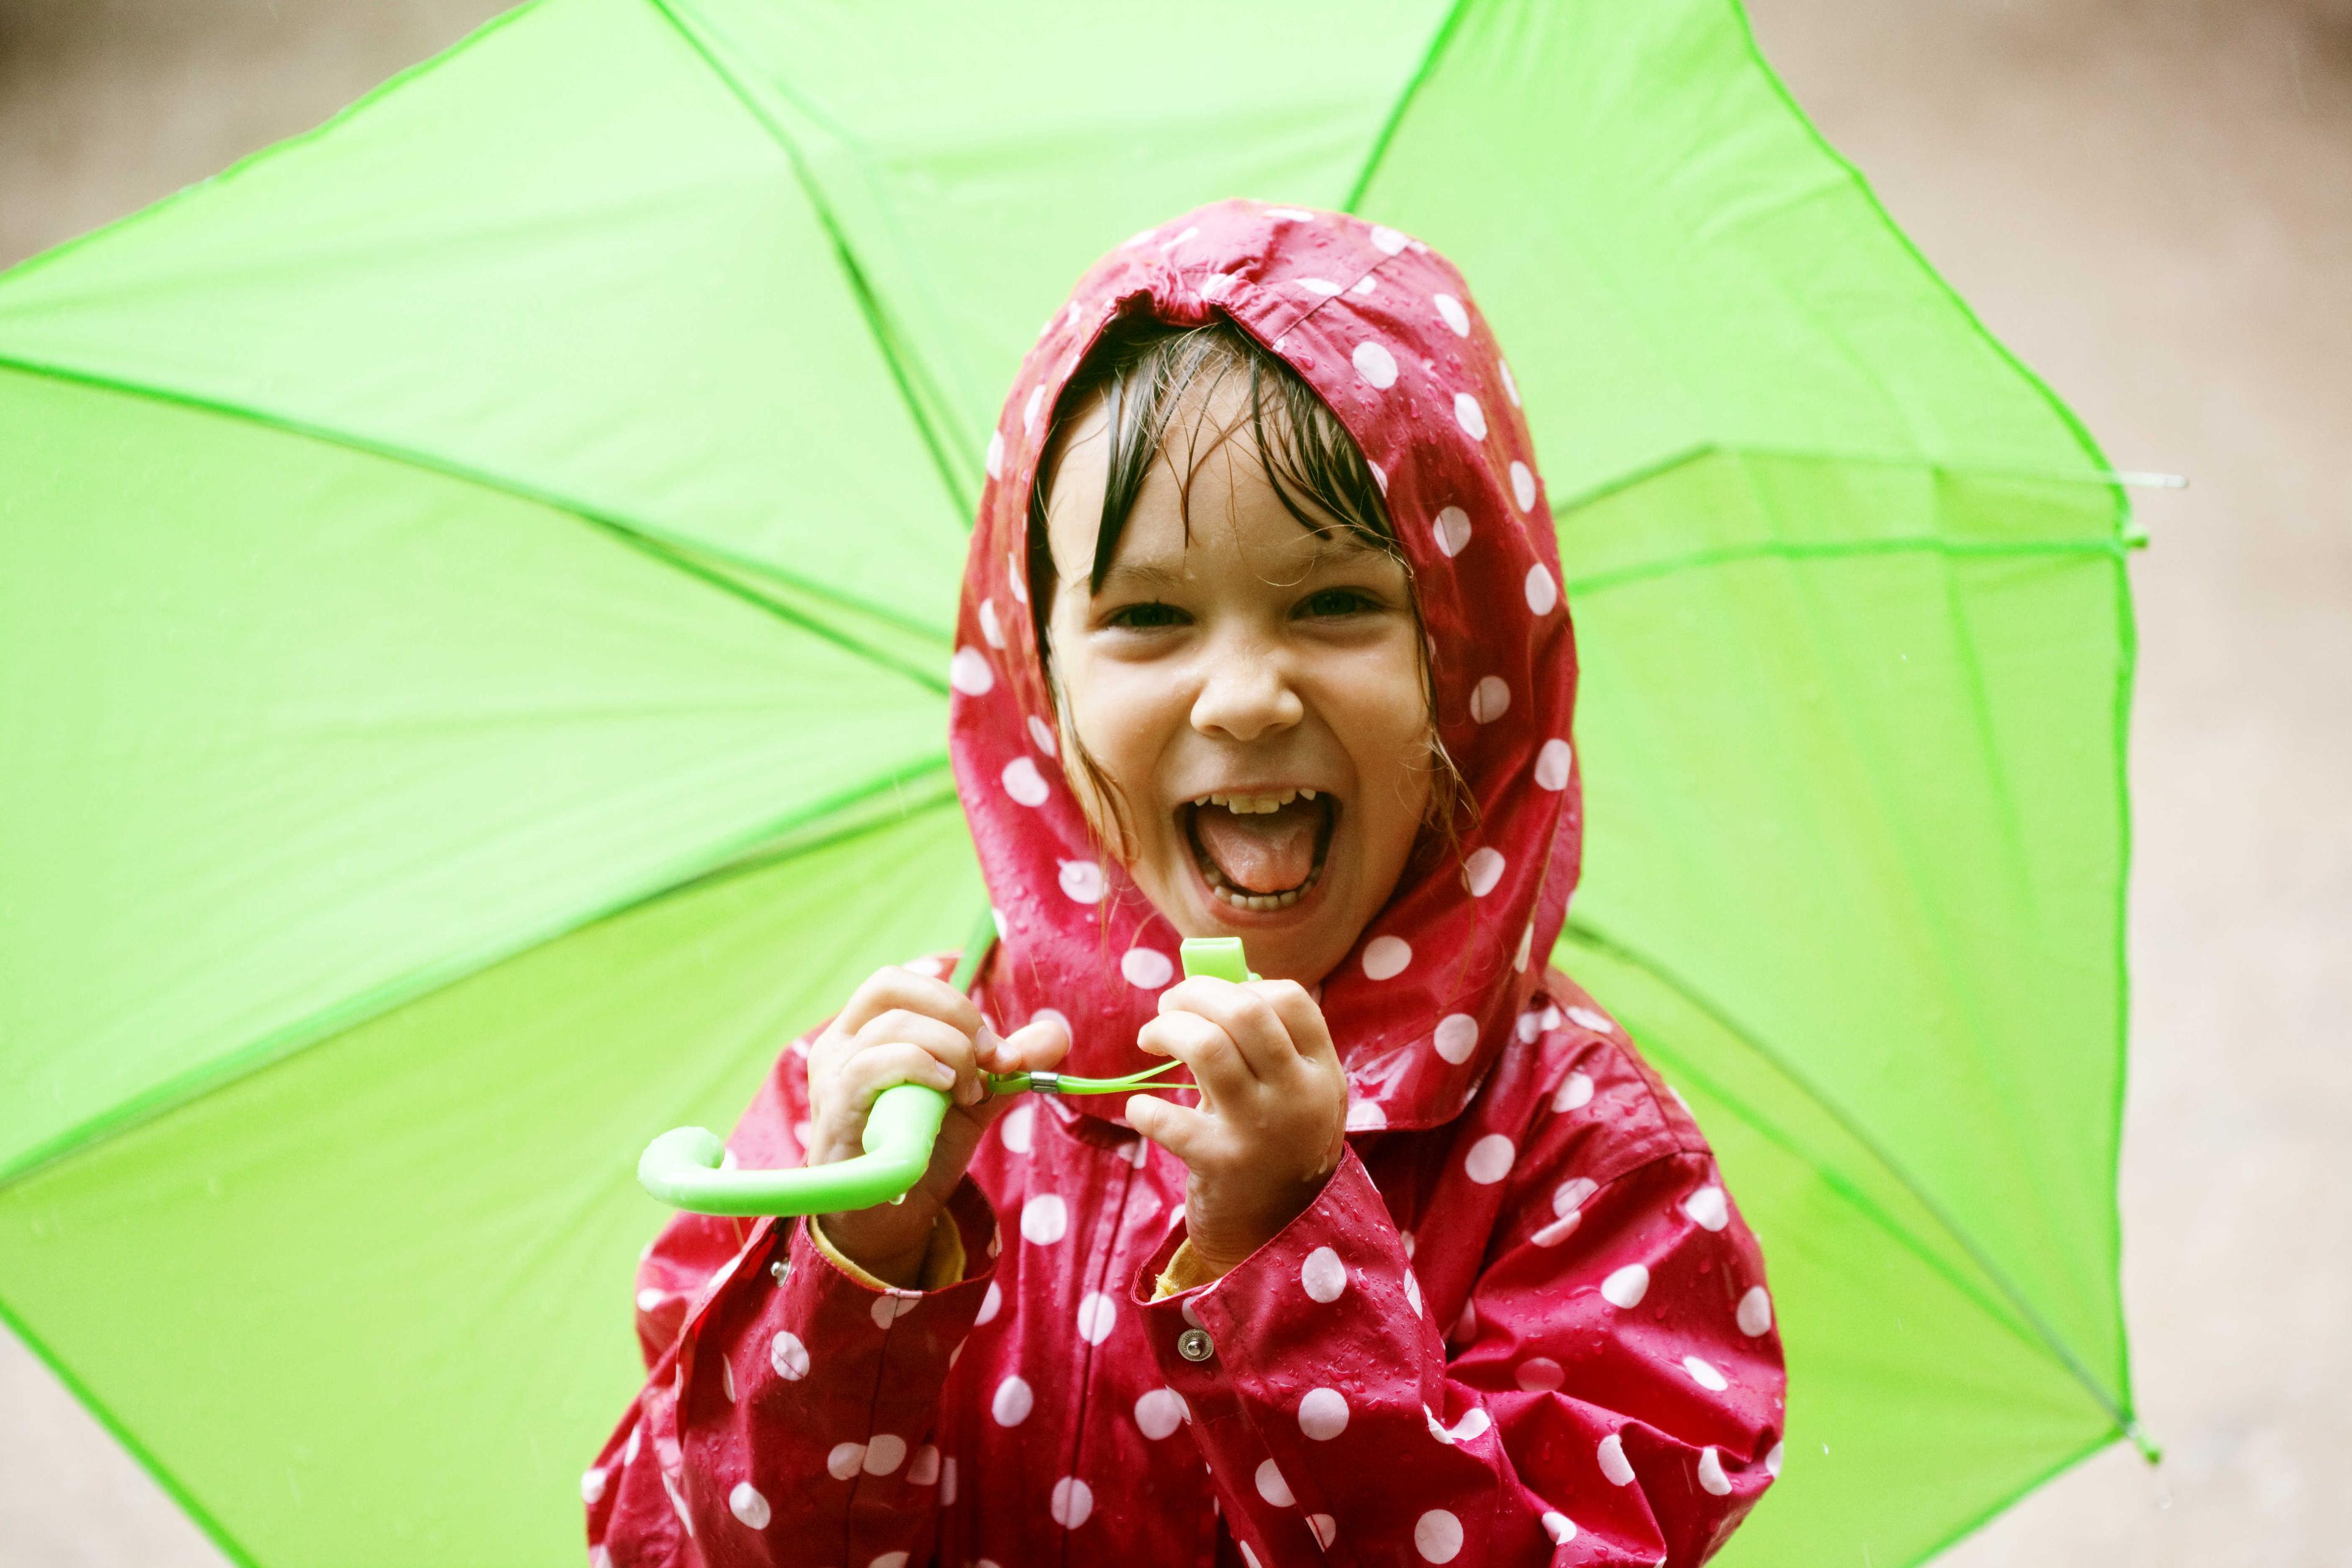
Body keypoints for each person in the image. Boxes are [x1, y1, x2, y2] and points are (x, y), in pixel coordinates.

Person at [584, 199, 1784, 1567]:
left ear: (1473, 651)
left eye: (1336, 601)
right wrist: (851, 1265)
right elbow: (670, 1545)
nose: (1246, 694)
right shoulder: (881, 1116)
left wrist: (1293, 1259)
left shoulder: (1582, 1167)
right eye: (1147, 616)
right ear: (1038, 675)